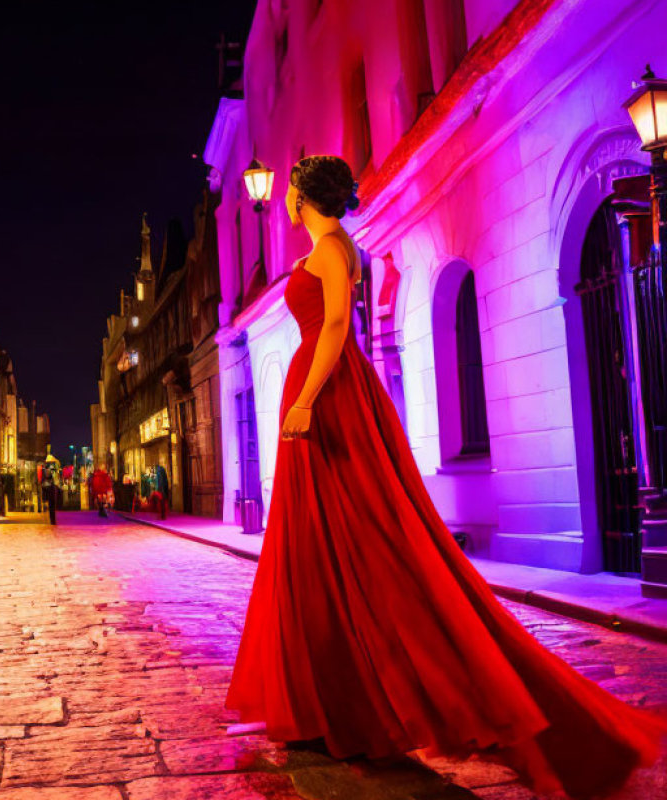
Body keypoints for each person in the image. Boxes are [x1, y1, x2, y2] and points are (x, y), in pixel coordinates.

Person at [224, 156, 666, 799]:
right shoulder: (334, 247)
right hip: (336, 397)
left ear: (304, 196)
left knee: (351, 541)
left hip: (329, 400)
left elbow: (338, 330)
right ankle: (335, 697)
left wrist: (305, 400)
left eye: (291, 189)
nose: (285, 201)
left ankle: (350, 699)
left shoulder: (327, 250)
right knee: (328, 544)